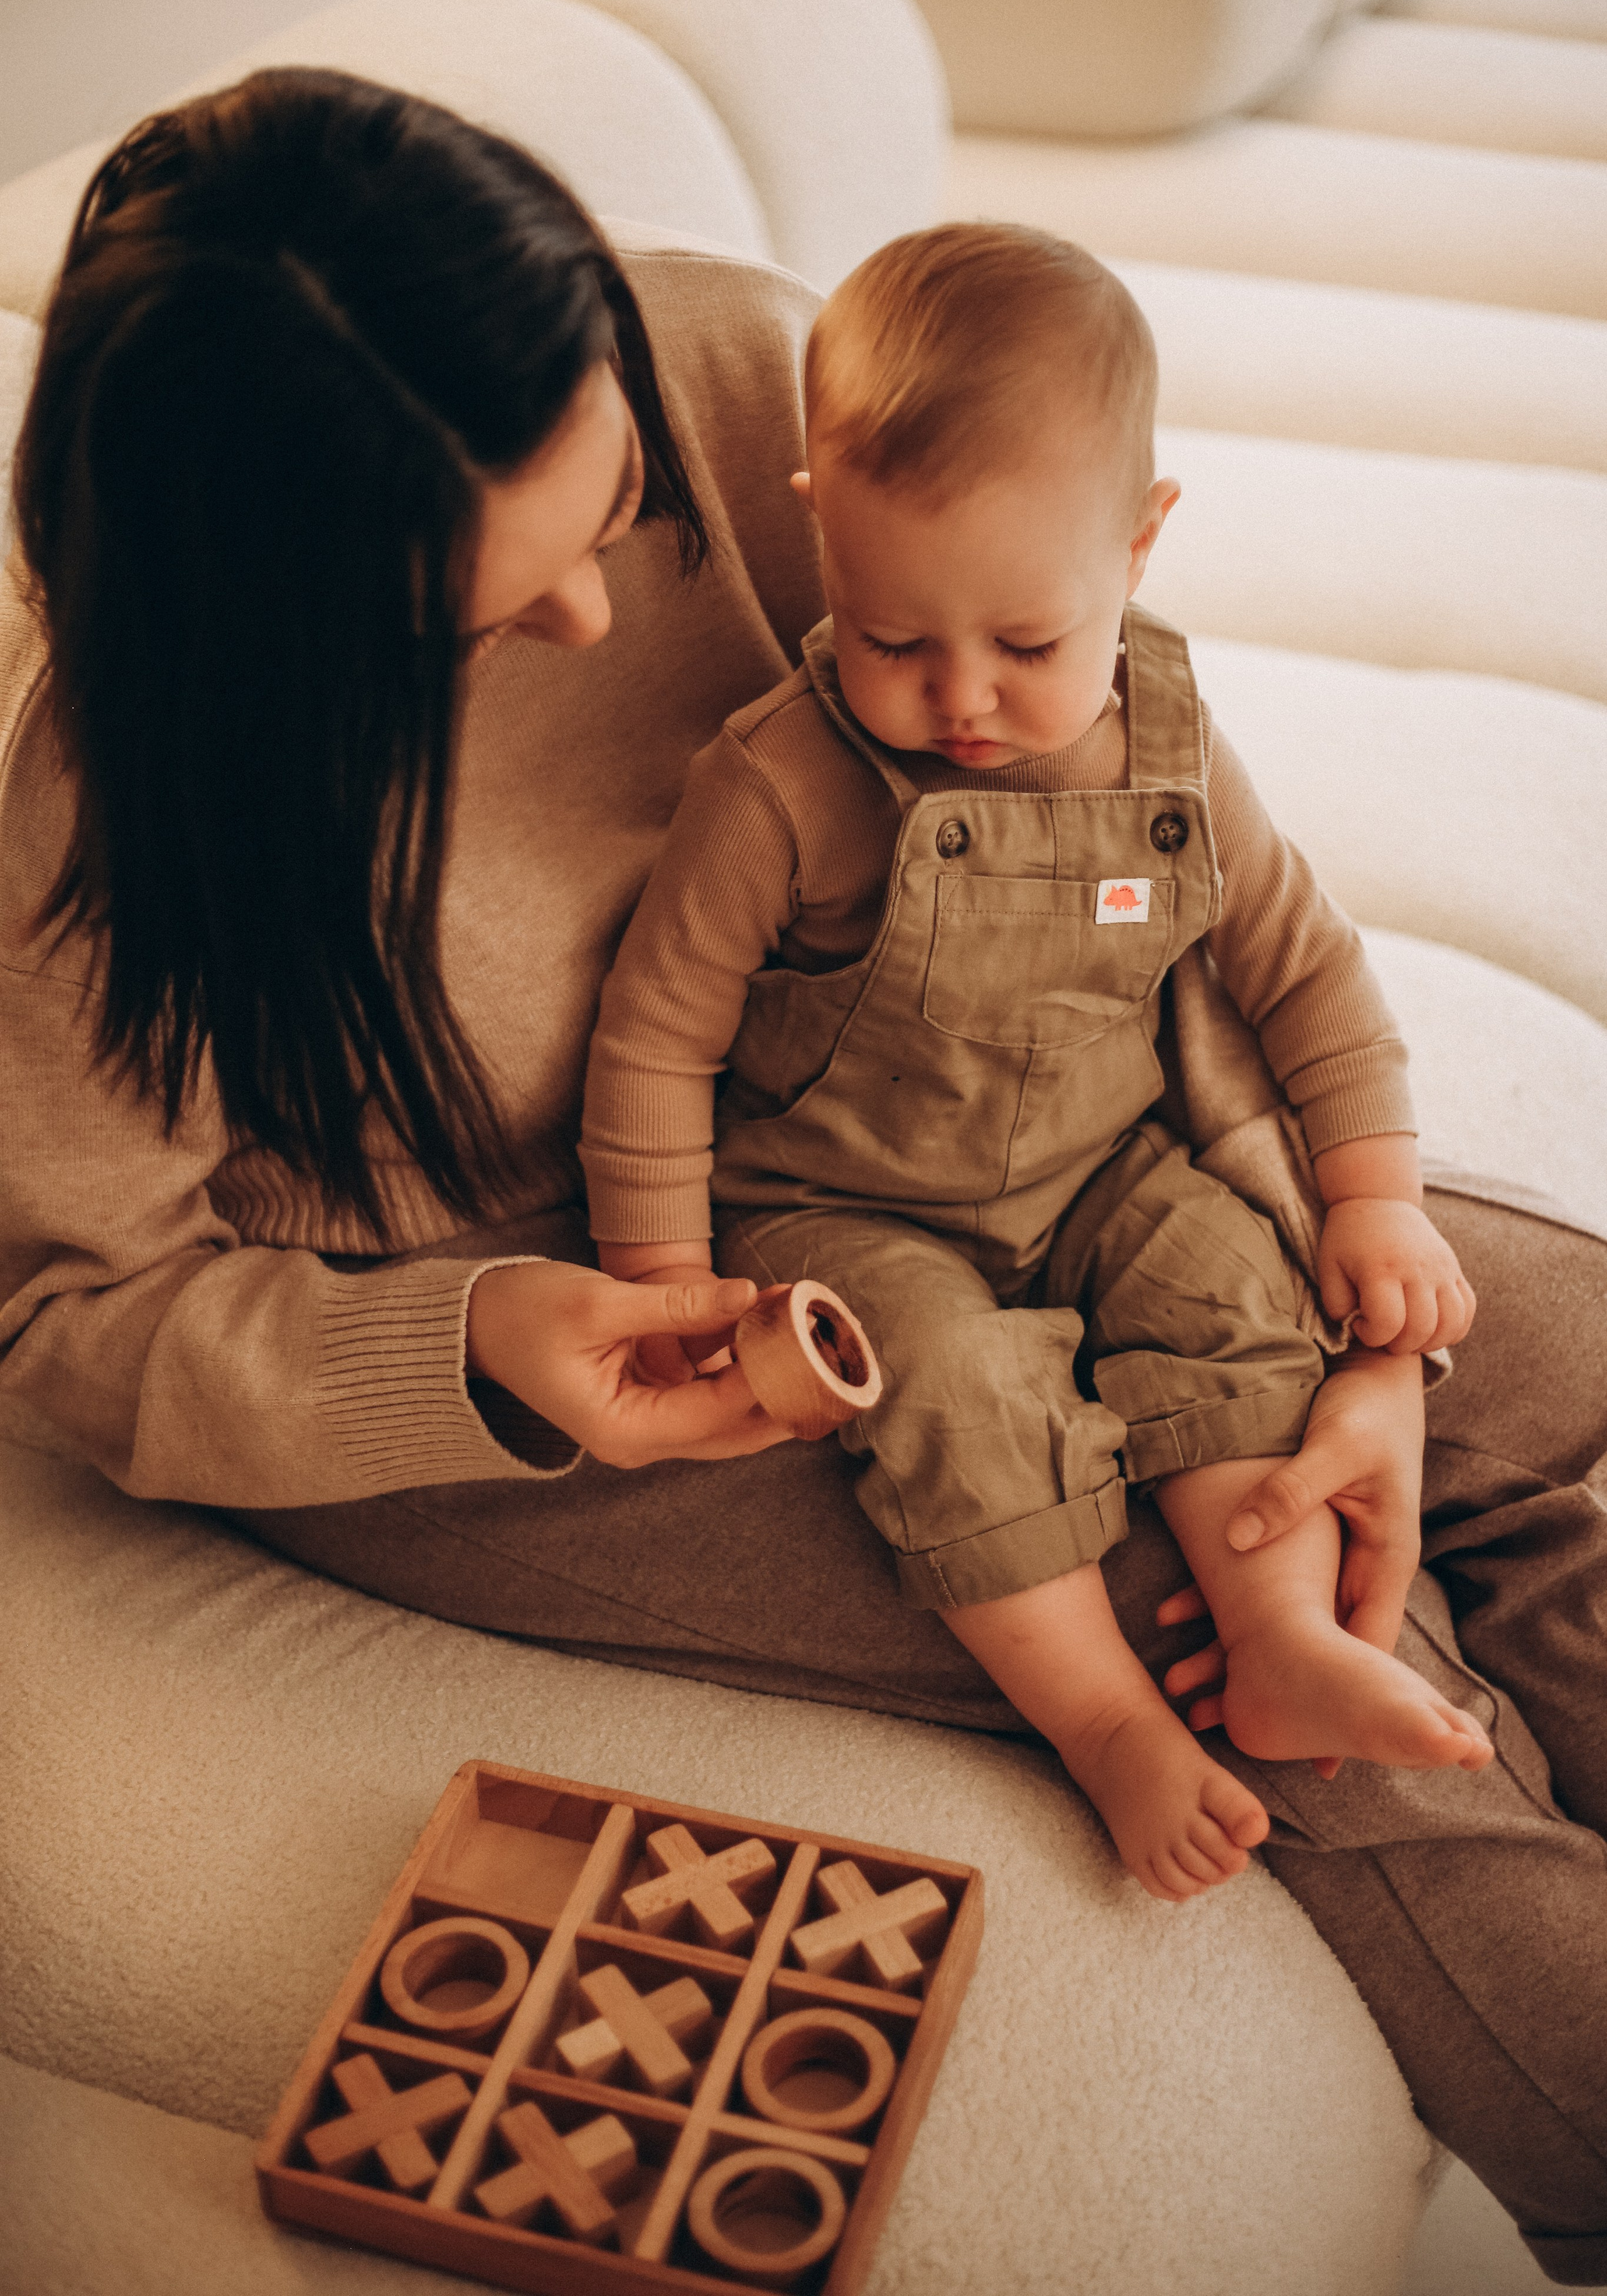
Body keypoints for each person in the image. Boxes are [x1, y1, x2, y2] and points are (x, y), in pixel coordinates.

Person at [0, 73, 1601, 2280]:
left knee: (1551, 1373)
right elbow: (68, 1312)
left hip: (974, 1106)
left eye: (621, 512)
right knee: (1276, 1618)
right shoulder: (96, 832)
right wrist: (477, 1348)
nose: (590, 623)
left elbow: (1129, 857)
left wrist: (1354, 1298)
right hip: (550, 1343)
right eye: (477, 613)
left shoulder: (750, 372)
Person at [578, 224, 1490, 1904]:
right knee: (957, 1395)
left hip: (1103, 1167)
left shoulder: (1168, 746)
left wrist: (1375, 1196)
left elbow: (1304, 967)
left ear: (1138, 545)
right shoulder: (777, 785)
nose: (965, 700)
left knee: (1235, 1290)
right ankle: (1108, 1724)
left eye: (1026, 640)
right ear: (820, 535)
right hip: (845, 1209)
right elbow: (653, 1041)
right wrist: (663, 1284)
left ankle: (1278, 1631)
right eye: (893, 638)